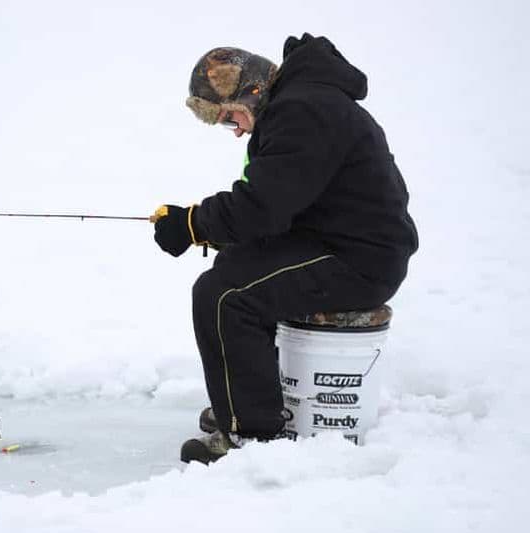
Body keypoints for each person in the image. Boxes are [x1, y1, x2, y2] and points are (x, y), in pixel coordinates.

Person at [152, 34, 419, 464]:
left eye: (229, 117)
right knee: (236, 268)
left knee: (224, 295)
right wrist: (204, 228)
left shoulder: (303, 110)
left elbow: (265, 208)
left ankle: (254, 436)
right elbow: (279, 203)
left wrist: (192, 223)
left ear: (252, 91)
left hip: (359, 259)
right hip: (341, 244)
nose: (235, 129)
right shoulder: (301, 103)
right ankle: (244, 402)